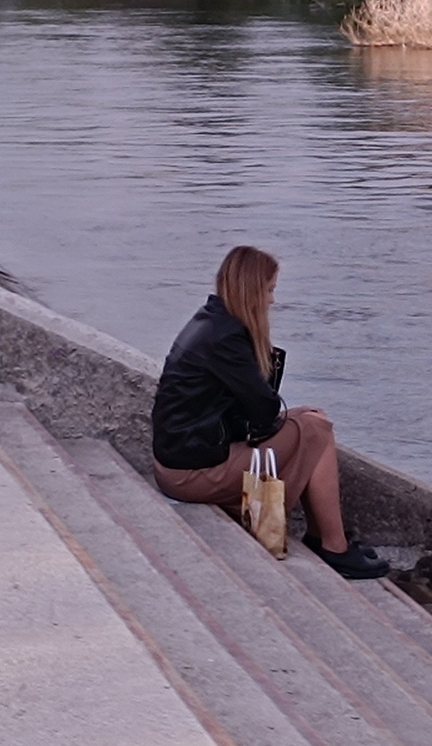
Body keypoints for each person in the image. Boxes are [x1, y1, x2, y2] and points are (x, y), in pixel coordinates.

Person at [152, 246, 390, 579]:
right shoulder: (226, 339)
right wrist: (295, 417)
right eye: (269, 290)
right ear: (251, 290)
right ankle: (334, 547)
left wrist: (293, 416)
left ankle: (327, 539)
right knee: (318, 428)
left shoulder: (210, 322)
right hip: (190, 475)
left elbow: (250, 412)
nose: (272, 301)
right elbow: (264, 413)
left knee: (313, 423)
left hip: (181, 461)